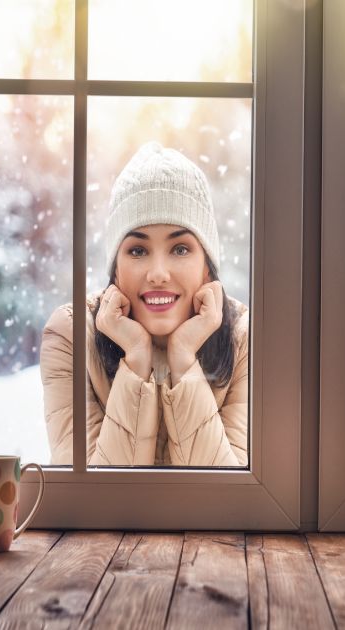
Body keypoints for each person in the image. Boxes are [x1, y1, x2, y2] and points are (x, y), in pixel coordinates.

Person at [40, 142, 248, 466]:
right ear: (116, 268)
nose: (158, 274)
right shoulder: (71, 336)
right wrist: (136, 358)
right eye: (138, 251)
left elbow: (232, 503)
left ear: (207, 265)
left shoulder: (246, 339)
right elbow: (90, 501)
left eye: (180, 249)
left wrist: (183, 357)